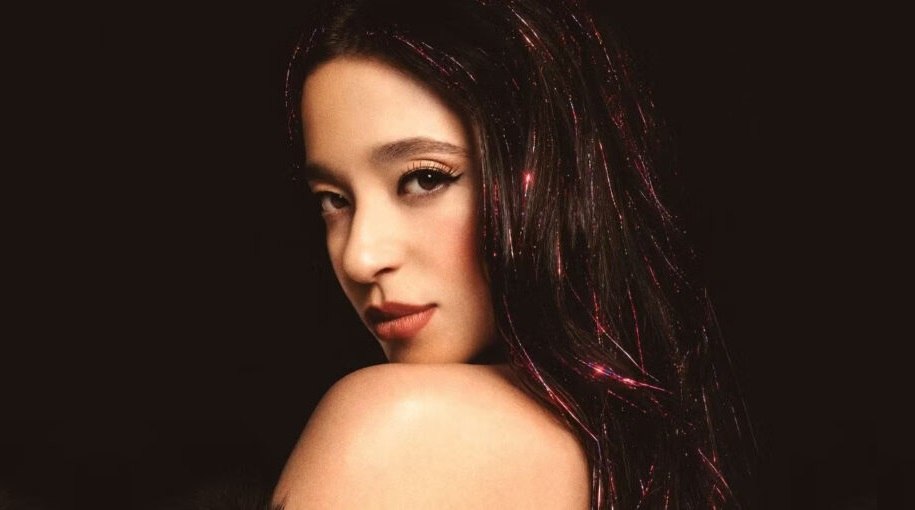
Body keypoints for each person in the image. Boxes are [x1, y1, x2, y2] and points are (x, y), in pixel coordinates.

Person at [272, 0, 755, 508]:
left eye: (425, 178)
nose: (359, 257)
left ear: (551, 176)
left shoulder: (399, 422)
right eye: (334, 200)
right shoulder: (647, 444)